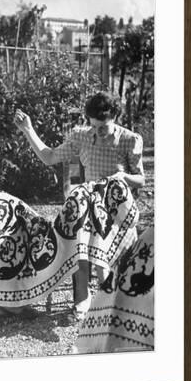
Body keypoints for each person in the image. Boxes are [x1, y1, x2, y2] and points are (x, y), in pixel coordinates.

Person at [14, 91, 145, 320]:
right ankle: (83, 302)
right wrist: (28, 129)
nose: (98, 132)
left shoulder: (129, 139)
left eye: (103, 127)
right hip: (88, 205)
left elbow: (141, 179)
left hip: (117, 208)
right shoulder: (81, 136)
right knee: (80, 238)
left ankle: (107, 303)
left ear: (114, 116)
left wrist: (121, 177)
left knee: (98, 238)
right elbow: (49, 157)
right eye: (93, 126)